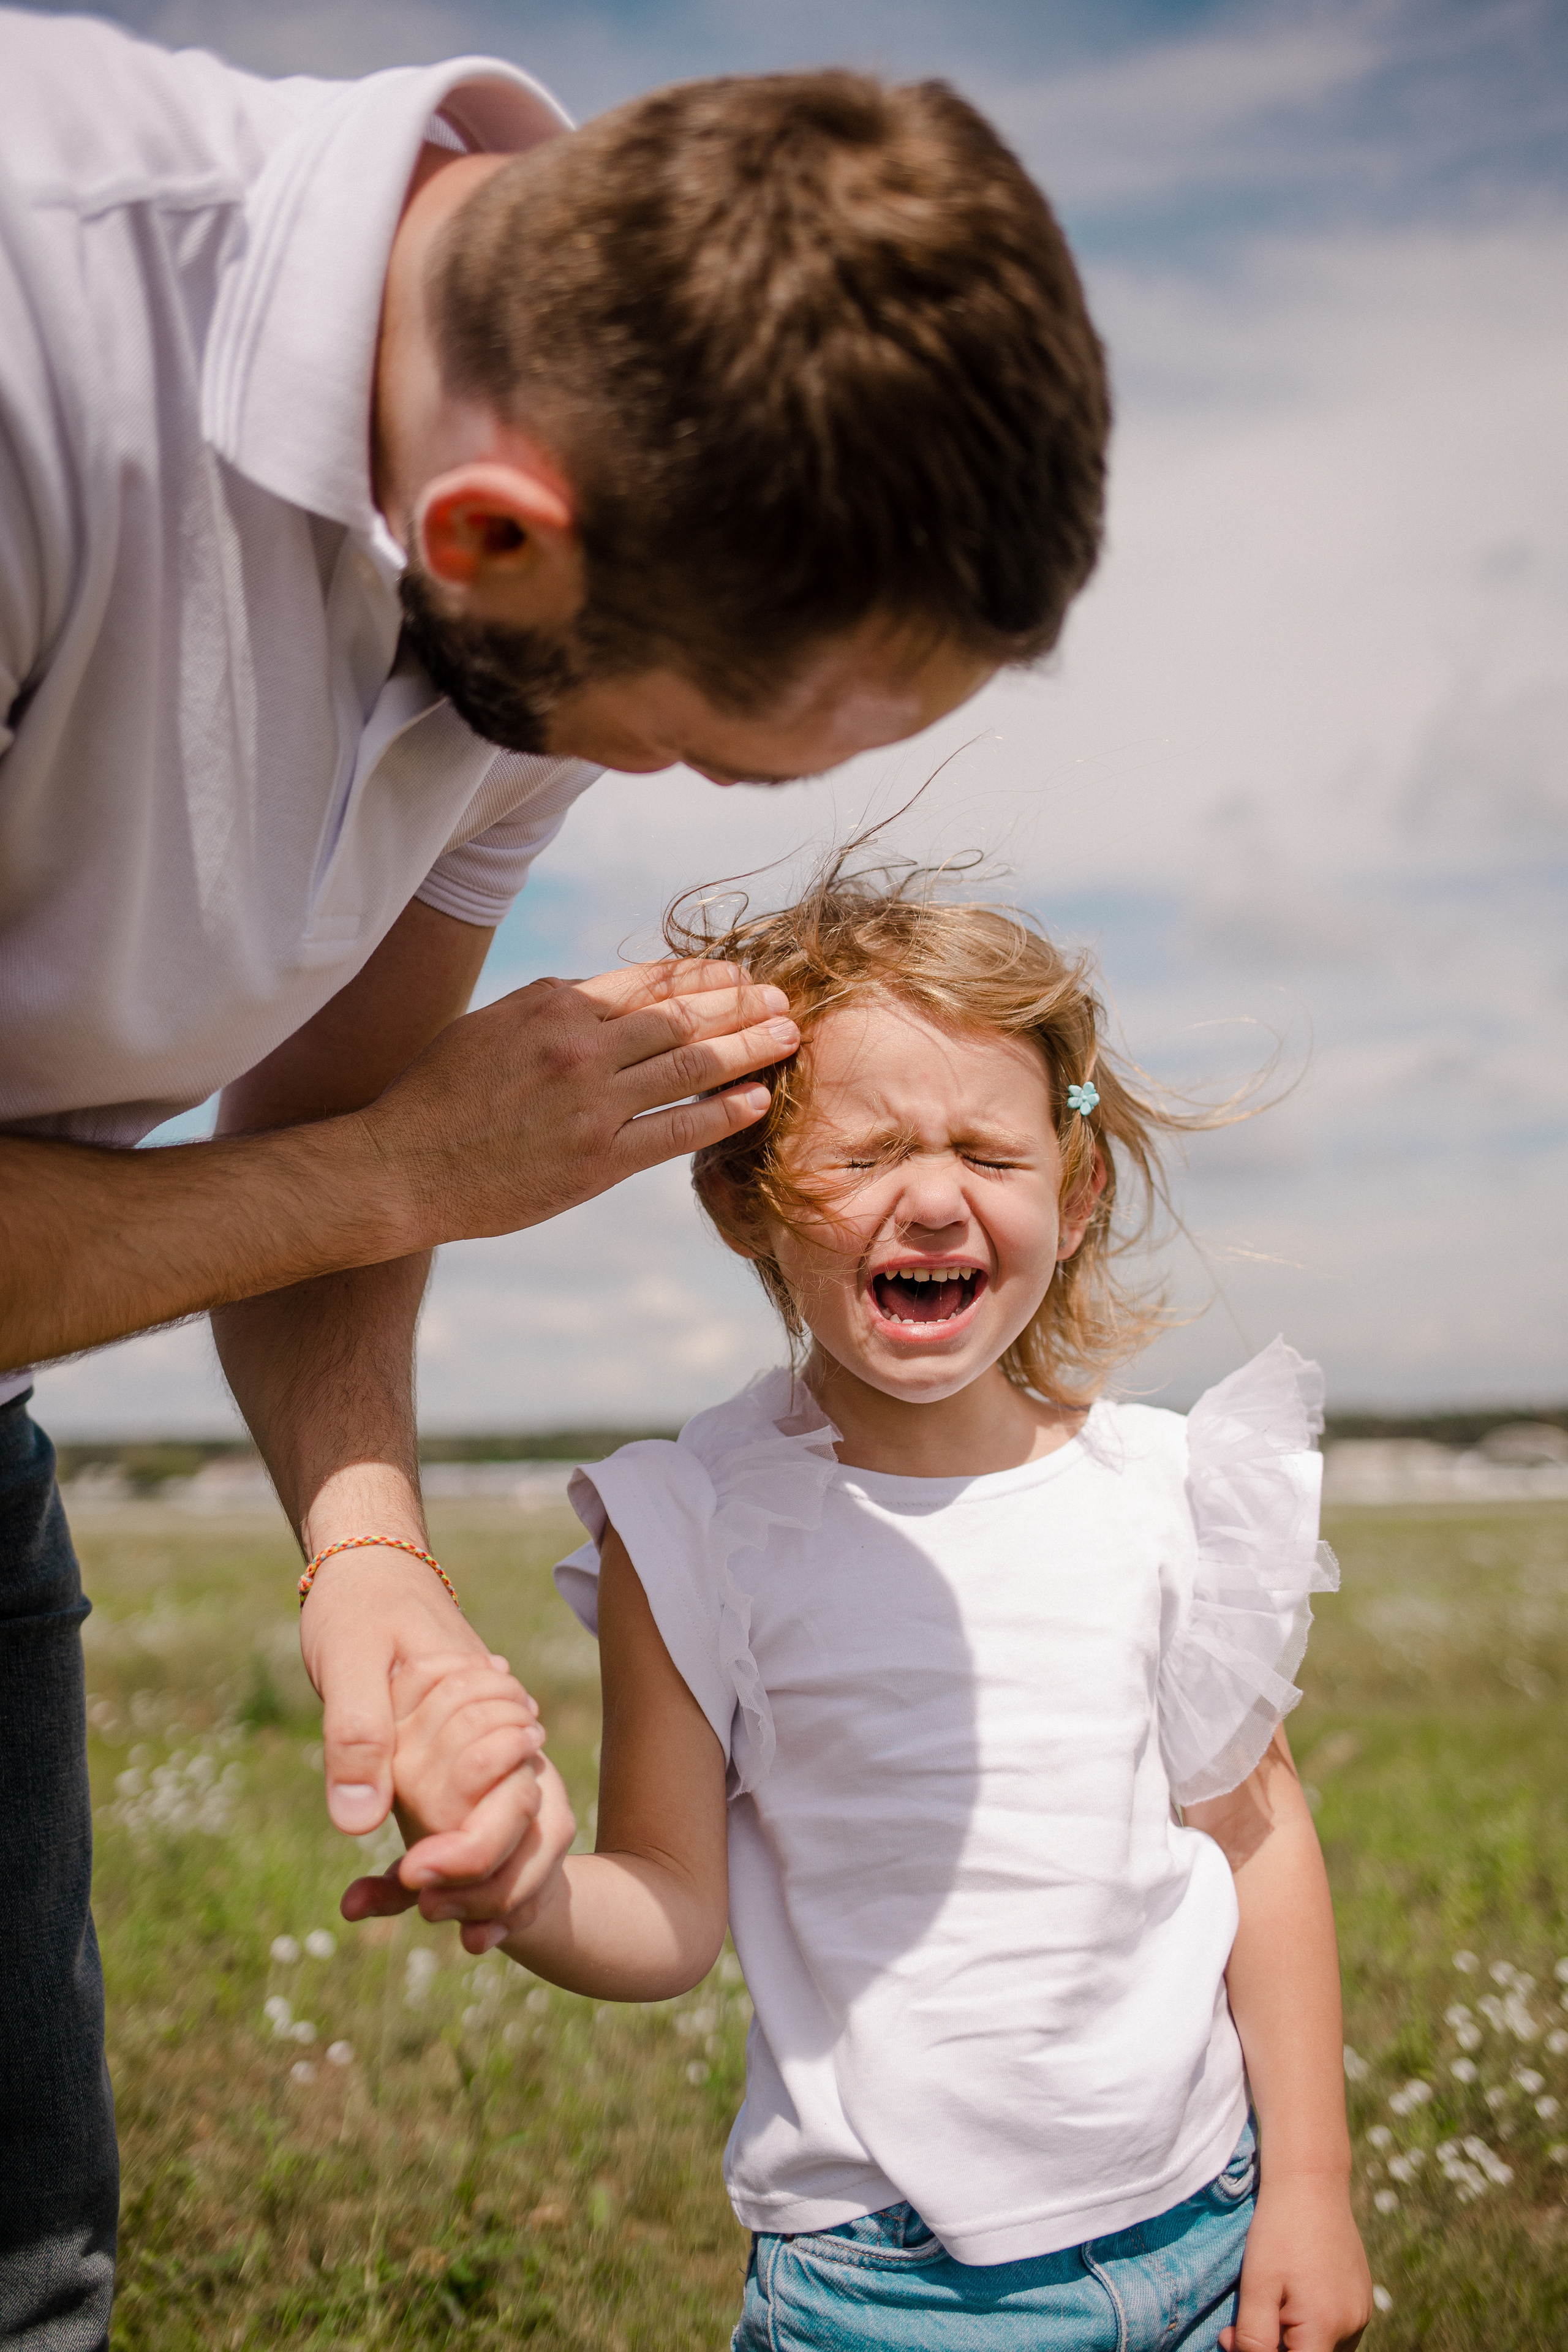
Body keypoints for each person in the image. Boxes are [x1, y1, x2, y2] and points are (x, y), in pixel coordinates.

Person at [0, 5, 1112, 2335]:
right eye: (689, 748)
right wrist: (410, 1169)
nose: (666, 787)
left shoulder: (506, 579)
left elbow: (318, 1132)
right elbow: (362, 1164)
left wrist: (371, 1555)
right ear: (501, 532)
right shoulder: (36, 331)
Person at [363, 870, 1374, 2350]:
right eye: (867, 1150)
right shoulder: (695, 1524)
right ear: (745, 1197)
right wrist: (525, 1891)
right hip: (888, 2289)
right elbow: (666, 1913)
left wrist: (1312, 2186)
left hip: (1207, 2218)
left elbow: (1254, 1844)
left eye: (986, 1149)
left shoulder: (1163, 1489)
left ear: (1073, 1191)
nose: (934, 1195)